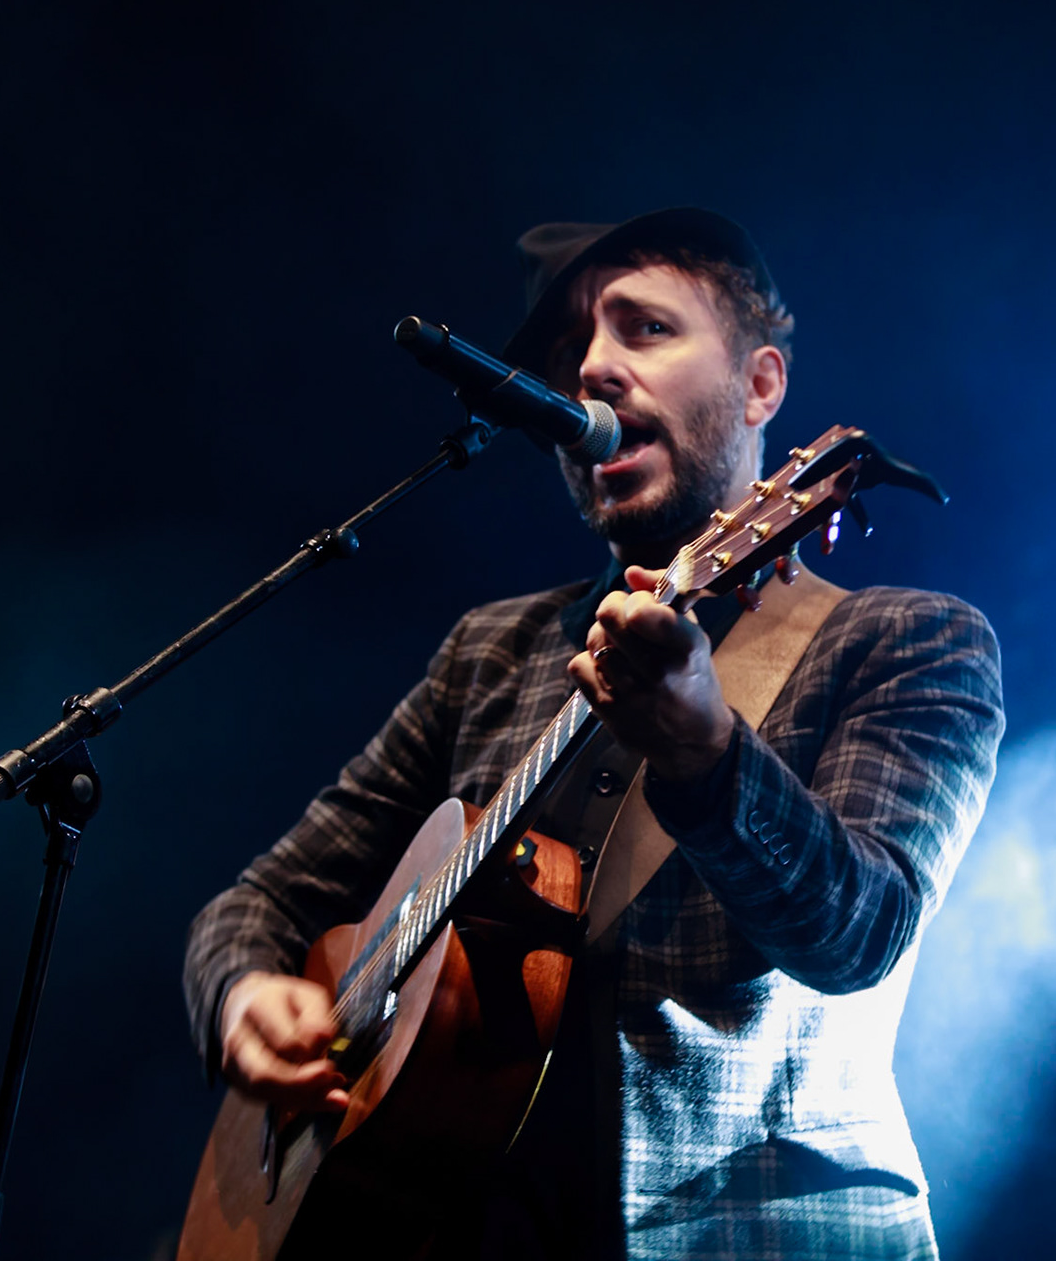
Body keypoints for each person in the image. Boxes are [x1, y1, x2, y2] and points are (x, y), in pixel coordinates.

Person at [183, 208, 1004, 1259]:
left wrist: (705, 749)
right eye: (573, 353)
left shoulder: (906, 641)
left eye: (644, 329)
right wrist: (242, 993)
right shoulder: (491, 651)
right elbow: (260, 902)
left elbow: (860, 934)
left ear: (760, 385)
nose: (594, 372)